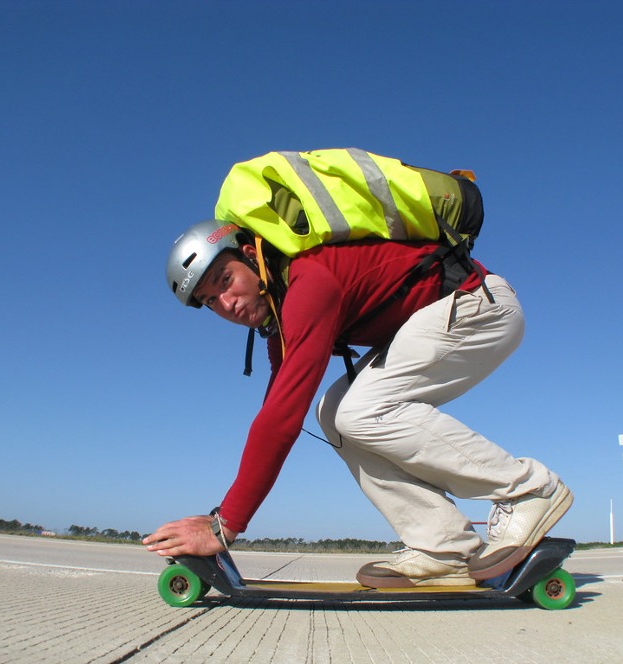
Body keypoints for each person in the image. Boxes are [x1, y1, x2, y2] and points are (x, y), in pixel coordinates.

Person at [144, 165, 573, 587]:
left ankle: (526, 490)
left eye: (225, 280)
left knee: (363, 408)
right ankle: (442, 546)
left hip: (479, 307)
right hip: (450, 316)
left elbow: (281, 420)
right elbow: (277, 407)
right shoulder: (282, 309)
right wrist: (225, 514)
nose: (227, 303)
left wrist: (225, 524)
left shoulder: (310, 284)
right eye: (211, 301)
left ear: (252, 256)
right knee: (334, 412)